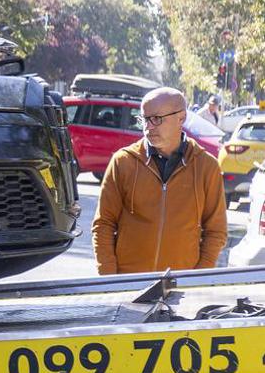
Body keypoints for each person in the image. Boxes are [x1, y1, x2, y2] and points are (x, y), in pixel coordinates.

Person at [93, 86, 227, 275]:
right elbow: (103, 224)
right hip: (127, 284)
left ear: (181, 118)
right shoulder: (123, 162)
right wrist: (109, 280)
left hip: (181, 289)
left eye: (156, 119)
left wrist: (196, 280)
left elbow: (216, 231)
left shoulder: (206, 167)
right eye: (144, 119)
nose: (148, 127)